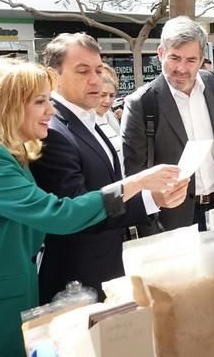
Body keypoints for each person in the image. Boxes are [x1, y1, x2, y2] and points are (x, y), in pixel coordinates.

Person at [0, 57, 182, 356]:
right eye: (41, 102)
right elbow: (57, 214)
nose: (51, 110)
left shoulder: (4, 152)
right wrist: (135, 184)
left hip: (4, 295)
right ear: (9, 105)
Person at [31, 33, 189, 304]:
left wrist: (154, 198)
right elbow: (79, 211)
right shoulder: (53, 131)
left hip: (107, 266)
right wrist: (143, 189)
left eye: (98, 70)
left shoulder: (90, 119)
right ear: (52, 75)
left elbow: (106, 192)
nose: (95, 79)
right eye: (82, 71)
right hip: (76, 281)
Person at [122, 16, 214, 233]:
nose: (181, 68)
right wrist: (149, 230)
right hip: (173, 219)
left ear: (201, 60)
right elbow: (134, 176)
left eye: (191, 60)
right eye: (174, 58)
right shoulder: (142, 103)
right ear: (161, 54)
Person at [96, 63, 124, 174]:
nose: (107, 100)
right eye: (103, 95)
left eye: (111, 95)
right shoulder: (86, 120)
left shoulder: (111, 117)